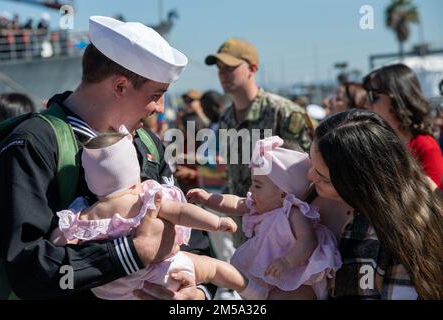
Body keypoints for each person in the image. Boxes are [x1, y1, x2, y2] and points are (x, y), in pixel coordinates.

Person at [0, 16, 213, 300]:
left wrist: (197, 293)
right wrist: (130, 253)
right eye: (156, 95)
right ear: (120, 86)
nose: (160, 109)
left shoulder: (148, 145)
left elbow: (194, 239)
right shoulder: (34, 145)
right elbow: (27, 269)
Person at [49, 130, 242, 299]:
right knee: (213, 267)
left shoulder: (83, 214)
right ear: (135, 176)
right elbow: (183, 212)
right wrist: (216, 222)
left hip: (112, 289)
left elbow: (59, 242)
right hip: (160, 276)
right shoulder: (145, 200)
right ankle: (250, 290)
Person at [308, 109, 443, 299]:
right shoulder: (414, 197)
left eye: (324, 178)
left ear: (360, 184)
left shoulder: (381, 234)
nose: (310, 176)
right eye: (310, 164)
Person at [187, 136, 342, 300]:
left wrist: (287, 262)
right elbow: (234, 203)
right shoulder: (258, 204)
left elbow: (308, 241)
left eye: (258, 185)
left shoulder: (294, 212)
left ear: (283, 192)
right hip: (270, 269)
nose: (251, 189)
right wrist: (208, 198)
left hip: (299, 274)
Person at [205, 38, 313, 247]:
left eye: (230, 67)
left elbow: (309, 172)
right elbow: (232, 173)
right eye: (219, 69)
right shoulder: (227, 118)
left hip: (284, 233)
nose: (223, 74)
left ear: (252, 69)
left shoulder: (283, 112)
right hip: (245, 226)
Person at [363, 64, 443, 188]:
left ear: (397, 97)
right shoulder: (382, 142)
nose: (366, 104)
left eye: (372, 96)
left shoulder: (426, 147)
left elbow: (432, 204)